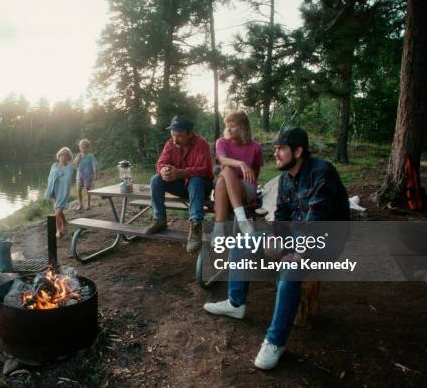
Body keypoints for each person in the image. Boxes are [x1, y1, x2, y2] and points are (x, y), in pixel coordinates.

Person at [203, 126, 350, 370]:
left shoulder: (322, 172)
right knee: (243, 243)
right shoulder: (285, 179)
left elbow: (317, 220)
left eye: (281, 149)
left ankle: (275, 342)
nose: (276, 153)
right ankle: (236, 303)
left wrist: (298, 253)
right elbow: (282, 214)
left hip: (327, 239)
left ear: (298, 151)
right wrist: (274, 238)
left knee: (290, 272)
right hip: (297, 234)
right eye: (276, 149)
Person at [145, 115, 213, 253]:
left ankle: (196, 227)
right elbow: (160, 163)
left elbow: (204, 169)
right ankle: (160, 220)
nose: (175, 139)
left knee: (195, 180)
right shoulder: (170, 144)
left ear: (189, 134)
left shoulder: (201, 144)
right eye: (173, 134)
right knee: (156, 179)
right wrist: (163, 170)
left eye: (179, 136)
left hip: (201, 187)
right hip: (181, 186)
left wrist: (181, 173)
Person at [213, 111, 264, 240]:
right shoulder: (222, 142)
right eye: (227, 126)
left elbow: (256, 171)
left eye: (233, 126)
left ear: (243, 127)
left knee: (223, 177)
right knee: (226, 173)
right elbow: (222, 160)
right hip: (224, 186)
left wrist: (250, 183)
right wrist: (241, 163)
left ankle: (218, 230)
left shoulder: (256, 147)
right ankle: (242, 220)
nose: (228, 129)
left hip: (246, 188)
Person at [44, 147, 74, 238]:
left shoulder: (69, 167)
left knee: (57, 212)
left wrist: (58, 173)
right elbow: (50, 178)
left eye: (65, 155)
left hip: (64, 192)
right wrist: (51, 191)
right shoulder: (54, 165)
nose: (63, 157)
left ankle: (58, 230)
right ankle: (64, 223)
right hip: (54, 191)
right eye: (62, 155)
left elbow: (67, 179)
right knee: (58, 211)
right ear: (59, 156)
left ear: (68, 157)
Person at [73, 139, 98, 211]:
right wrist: (78, 159)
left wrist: (95, 175)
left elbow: (94, 166)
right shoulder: (78, 156)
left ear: (87, 148)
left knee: (88, 190)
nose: (83, 149)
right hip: (79, 176)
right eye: (81, 147)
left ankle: (88, 204)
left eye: (84, 147)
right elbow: (75, 166)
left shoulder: (90, 156)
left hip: (88, 176)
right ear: (79, 148)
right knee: (78, 190)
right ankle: (80, 204)